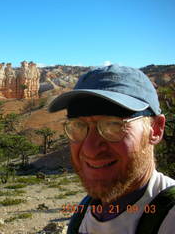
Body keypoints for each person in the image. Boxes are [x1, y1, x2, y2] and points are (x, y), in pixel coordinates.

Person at [48, 65, 175, 234]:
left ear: (156, 129)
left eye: (113, 125)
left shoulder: (169, 217)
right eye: (78, 125)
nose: (90, 150)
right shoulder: (85, 212)